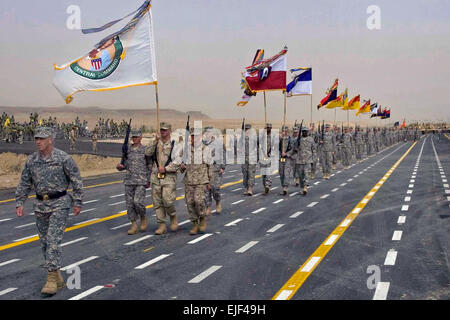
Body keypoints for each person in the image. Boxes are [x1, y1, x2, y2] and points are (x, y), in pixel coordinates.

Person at [15, 126, 83, 297]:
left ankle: (51, 278)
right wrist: (19, 202)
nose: (38, 141)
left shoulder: (63, 158)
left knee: (53, 240)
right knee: (45, 243)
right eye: (36, 138)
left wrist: (77, 201)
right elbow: (25, 182)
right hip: (40, 205)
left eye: (42, 138)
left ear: (50, 139)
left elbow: (76, 180)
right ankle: (58, 275)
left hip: (60, 203)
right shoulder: (32, 160)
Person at [146, 122, 181, 235]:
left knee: (168, 201)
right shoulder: (156, 143)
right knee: (157, 202)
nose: (163, 132)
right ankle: (161, 225)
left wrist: (166, 168)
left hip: (168, 177)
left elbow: (178, 161)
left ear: (170, 131)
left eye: (165, 130)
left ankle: (173, 216)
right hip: (156, 176)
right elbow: (147, 153)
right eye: (161, 130)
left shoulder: (175, 144)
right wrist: (155, 141)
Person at [116, 129, 152, 235]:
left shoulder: (145, 150)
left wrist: (148, 179)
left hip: (141, 180)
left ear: (141, 138)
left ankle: (143, 216)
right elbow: (124, 165)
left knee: (138, 202)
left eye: (136, 137)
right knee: (129, 205)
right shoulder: (128, 150)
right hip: (129, 180)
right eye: (133, 137)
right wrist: (120, 167)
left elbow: (149, 165)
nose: (134, 139)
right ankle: (134, 224)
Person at [181, 128, 213, 235]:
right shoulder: (186, 150)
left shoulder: (206, 149)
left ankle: (202, 218)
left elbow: (210, 166)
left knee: (198, 201)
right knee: (190, 203)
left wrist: (209, 181)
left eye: (197, 136)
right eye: (193, 136)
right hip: (189, 180)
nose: (195, 138)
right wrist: (181, 166)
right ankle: (194, 223)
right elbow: (180, 166)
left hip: (201, 181)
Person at [203, 126, 225, 215]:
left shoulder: (219, 143)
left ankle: (218, 202)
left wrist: (222, 167)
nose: (208, 134)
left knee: (215, 189)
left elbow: (223, 155)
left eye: (209, 132)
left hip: (216, 168)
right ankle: (208, 207)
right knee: (206, 190)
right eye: (206, 132)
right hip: (204, 169)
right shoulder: (202, 143)